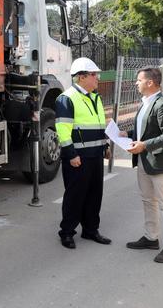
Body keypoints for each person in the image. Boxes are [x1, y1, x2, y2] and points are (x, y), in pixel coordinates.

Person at [123, 66, 163, 263]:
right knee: (148, 201)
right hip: (144, 161)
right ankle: (150, 238)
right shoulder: (145, 103)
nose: (136, 83)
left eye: (139, 80)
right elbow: (146, 131)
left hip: (160, 164)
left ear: (150, 83)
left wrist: (144, 145)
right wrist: (127, 135)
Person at [55, 57, 112, 249]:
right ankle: (67, 232)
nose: (98, 78)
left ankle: (90, 230)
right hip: (78, 157)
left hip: (95, 155)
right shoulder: (67, 98)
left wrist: (105, 146)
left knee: (95, 194)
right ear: (81, 77)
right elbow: (63, 130)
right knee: (75, 196)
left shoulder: (95, 96)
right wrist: (71, 155)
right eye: (94, 74)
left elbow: (99, 125)